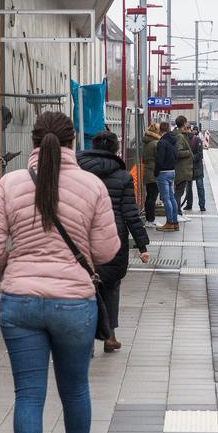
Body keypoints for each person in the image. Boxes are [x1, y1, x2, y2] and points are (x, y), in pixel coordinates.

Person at [0, 111, 117, 433]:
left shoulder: (10, 183)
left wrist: (13, 268)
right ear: (72, 143)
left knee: (28, 395)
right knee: (75, 392)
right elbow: (105, 252)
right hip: (74, 305)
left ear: (33, 144)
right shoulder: (92, 187)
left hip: (19, 304)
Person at [77, 131, 151, 352]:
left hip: (82, 235)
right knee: (111, 285)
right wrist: (143, 245)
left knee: (84, 286)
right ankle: (110, 336)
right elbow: (130, 213)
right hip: (113, 237)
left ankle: (86, 340)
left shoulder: (78, 172)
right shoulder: (123, 176)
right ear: (115, 149)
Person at [155, 122, 181, 232]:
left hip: (163, 173)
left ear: (160, 130)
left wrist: (156, 172)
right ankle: (175, 222)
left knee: (166, 199)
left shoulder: (162, 142)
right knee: (171, 198)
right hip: (172, 171)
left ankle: (169, 222)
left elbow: (160, 160)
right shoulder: (174, 141)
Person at [173, 115, 193, 223]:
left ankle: (179, 212)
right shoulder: (179, 136)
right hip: (181, 169)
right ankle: (176, 214)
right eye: (186, 122)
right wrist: (189, 152)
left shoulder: (181, 135)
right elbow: (178, 152)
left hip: (182, 169)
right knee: (179, 192)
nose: (188, 124)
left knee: (180, 192)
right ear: (184, 123)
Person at [141, 123, 162, 228]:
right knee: (152, 197)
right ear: (156, 131)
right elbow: (159, 158)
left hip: (148, 171)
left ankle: (149, 219)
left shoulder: (146, 142)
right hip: (154, 172)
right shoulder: (155, 143)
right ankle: (151, 220)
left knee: (149, 196)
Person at [183, 126, 207, 213]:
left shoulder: (197, 140)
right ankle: (189, 204)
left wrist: (190, 158)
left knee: (199, 187)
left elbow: (200, 155)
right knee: (189, 187)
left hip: (196, 168)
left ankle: (202, 205)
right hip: (190, 167)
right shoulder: (184, 140)